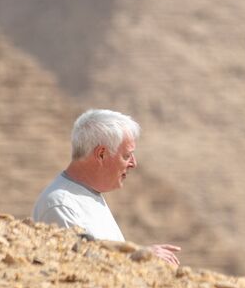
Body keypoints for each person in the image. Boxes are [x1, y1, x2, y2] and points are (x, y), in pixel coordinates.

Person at [31, 109, 180, 266]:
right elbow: (82, 268)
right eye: (127, 156)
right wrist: (140, 257)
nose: (134, 164)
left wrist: (141, 255)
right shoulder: (61, 204)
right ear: (101, 154)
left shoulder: (87, 195)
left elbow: (105, 257)